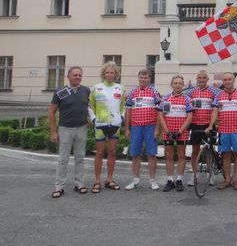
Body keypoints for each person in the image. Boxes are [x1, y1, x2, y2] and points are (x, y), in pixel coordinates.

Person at [48, 66, 91, 198]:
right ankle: (59, 186)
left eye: (79, 75)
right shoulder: (60, 92)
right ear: (68, 77)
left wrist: (89, 118)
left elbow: (88, 107)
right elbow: (51, 112)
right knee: (63, 159)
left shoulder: (85, 90)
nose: (78, 77)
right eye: (75, 75)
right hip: (65, 129)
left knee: (80, 157)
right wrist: (54, 132)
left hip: (82, 128)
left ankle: (79, 184)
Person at [88, 62, 126, 193]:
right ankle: (97, 181)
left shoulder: (120, 88)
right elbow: (90, 105)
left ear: (116, 74)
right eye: (107, 72)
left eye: (112, 73)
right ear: (103, 74)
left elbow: (123, 106)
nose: (110, 75)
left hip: (115, 125)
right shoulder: (96, 88)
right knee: (99, 153)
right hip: (100, 125)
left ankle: (109, 179)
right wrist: (93, 119)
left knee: (112, 152)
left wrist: (121, 118)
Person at [207, 72, 237, 191]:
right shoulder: (219, 95)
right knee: (225, 155)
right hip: (224, 130)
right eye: (225, 80)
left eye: (229, 79)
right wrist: (211, 125)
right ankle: (227, 180)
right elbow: (215, 111)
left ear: (233, 80)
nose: (227, 81)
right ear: (223, 81)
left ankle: (235, 179)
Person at [124, 69, 161, 190]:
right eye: (142, 77)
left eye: (146, 78)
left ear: (150, 79)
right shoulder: (132, 92)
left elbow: (159, 112)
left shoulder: (154, 92)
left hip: (150, 126)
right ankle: (135, 180)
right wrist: (127, 129)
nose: (144, 79)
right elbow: (128, 111)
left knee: (151, 154)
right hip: (136, 127)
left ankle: (152, 180)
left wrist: (157, 129)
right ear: (138, 78)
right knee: (135, 154)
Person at [157, 75, 193, 192]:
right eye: (175, 83)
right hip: (168, 131)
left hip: (181, 132)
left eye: (179, 83)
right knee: (169, 156)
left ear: (183, 85)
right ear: (171, 85)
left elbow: (189, 117)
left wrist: (180, 131)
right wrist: (166, 130)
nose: (177, 85)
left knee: (181, 156)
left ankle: (179, 180)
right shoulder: (166, 98)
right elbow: (160, 115)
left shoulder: (187, 99)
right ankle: (170, 180)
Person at [186, 70, 218, 187]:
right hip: (195, 124)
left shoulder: (213, 91)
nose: (202, 79)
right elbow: (185, 105)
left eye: (204, 77)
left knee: (210, 150)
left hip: (208, 125)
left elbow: (217, 105)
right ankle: (195, 176)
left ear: (207, 79)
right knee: (195, 150)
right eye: (199, 77)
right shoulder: (191, 92)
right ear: (196, 78)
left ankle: (210, 175)